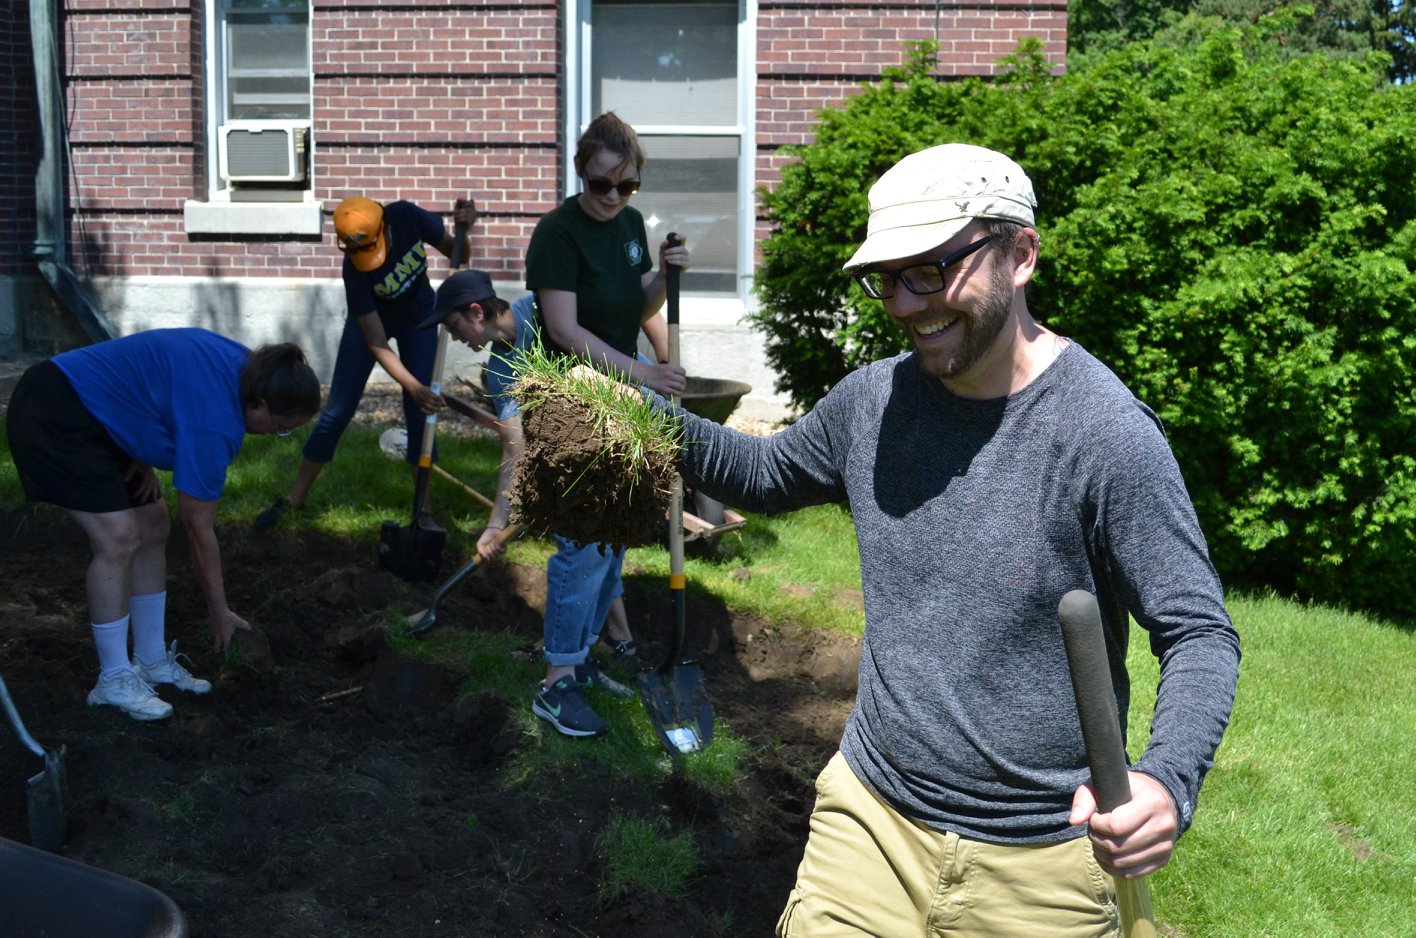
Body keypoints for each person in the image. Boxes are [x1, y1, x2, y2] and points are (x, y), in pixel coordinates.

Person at [665, 144, 1243, 935]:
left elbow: (1198, 631)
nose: (907, 303)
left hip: (1044, 863)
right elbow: (765, 474)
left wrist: (1167, 781)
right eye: (888, 279)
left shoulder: (1103, 434)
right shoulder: (874, 403)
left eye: (931, 271)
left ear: (1021, 255)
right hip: (870, 825)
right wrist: (632, 413)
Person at [5, 328, 322, 721]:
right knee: (119, 537)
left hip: (103, 413)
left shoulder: (253, 369)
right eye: (281, 428)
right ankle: (113, 679)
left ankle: (151, 659)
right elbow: (198, 527)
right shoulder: (216, 423)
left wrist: (141, 449)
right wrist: (219, 610)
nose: (276, 435)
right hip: (54, 411)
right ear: (259, 404)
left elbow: (154, 384)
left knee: (153, 524)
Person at [523, 111, 689, 736]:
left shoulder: (628, 225)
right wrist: (643, 372)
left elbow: (635, 303)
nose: (614, 197)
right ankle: (556, 681)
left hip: (619, 392)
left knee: (612, 537)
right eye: (602, 184)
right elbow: (565, 331)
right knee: (583, 540)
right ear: (580, 172)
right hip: (571, 396)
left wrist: (665, 276)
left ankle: (582, 657)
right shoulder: (557, 234)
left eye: (628, 186)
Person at [255, 194, 479, 528]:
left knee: (421, 412)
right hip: (369, 329)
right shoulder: (354, 270)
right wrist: (413, 385)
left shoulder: (406, 216)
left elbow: (460, 253)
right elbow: (376, 341)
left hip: (419, 318)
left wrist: (463, 233)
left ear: (384, 227)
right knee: (338, 410)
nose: (366, 259)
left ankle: (423, 511)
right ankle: (295, 498)